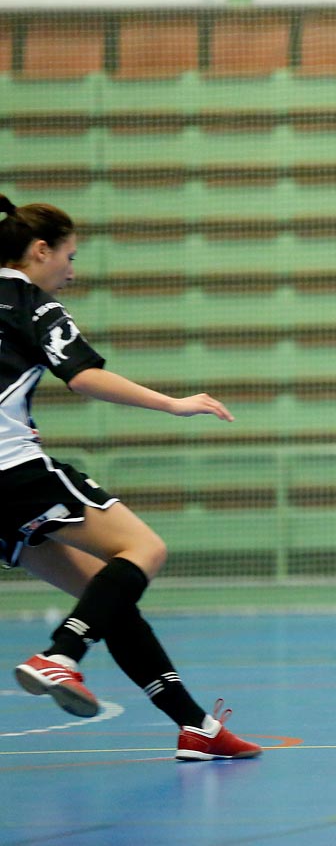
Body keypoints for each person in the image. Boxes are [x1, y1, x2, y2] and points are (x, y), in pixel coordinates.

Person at [0, 195, 261, 762]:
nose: (72, 270)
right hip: (10, 469)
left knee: (106, 596)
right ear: (40, 251)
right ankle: (61, 654)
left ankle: (197, 728)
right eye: (69, 256)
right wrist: (173, 405)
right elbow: (83, 375)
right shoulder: (34, 306)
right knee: (143, 548)